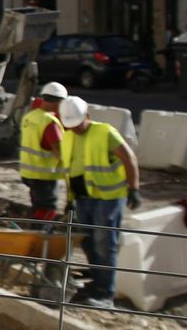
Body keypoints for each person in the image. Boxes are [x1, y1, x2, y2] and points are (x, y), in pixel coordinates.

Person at [58, 95, 143, 309]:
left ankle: (106, 293)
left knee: (104, 244)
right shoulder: (68, 137)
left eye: (77, 124)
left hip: (109, 198)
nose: (74, 129)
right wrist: (70, 200)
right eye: (71, 125)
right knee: (87, 241)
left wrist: (134, 189)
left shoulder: (105, 132)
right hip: (84, 198)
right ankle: (97, 283)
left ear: (87, 115)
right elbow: (72, 170)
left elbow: (129, 158)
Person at [19, 82, 70, 224]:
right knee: (48, 208)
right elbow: (59, 151)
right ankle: (40, 235)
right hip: (44, 175)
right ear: (58, 102)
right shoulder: (49, 122)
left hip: (28, 172)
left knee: (37, 206)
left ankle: (35, 231)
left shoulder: (30, 117)